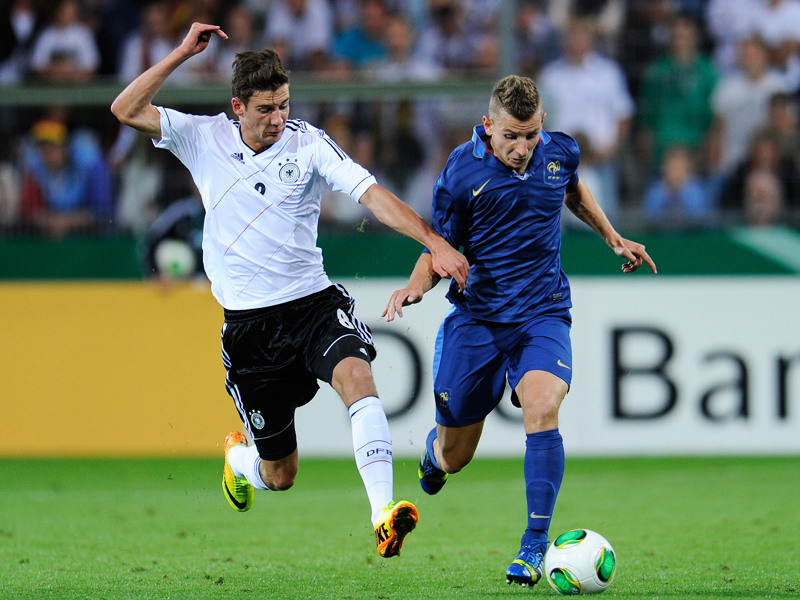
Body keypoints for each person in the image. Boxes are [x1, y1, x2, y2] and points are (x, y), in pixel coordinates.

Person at [110, 22, 469, 558]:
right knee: (280, 475)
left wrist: (432, 241)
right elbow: (125, 109)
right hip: (250, 329)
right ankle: (239, 463)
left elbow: (371, 195)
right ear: (237, 106)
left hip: (312, 304)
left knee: (357, 377)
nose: (278, 118)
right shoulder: (200, 137)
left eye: (283, 104)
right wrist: (182, 53)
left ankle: (382, 515)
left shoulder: (307, 144)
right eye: (265, 109)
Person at [382, 75, 656, 586]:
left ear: (542, 125)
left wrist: (612, 237)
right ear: (488, 126)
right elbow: (437, 246)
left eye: (530, 135)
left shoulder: (560, 152)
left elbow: (572, 190)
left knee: (542, 406)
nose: (522, 148)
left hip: (543, 312)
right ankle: (435, 454)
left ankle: (533, 545)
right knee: (456, 454)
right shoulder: (462, 172)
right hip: (478, 320)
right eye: (511, 136)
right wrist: (415, 288)